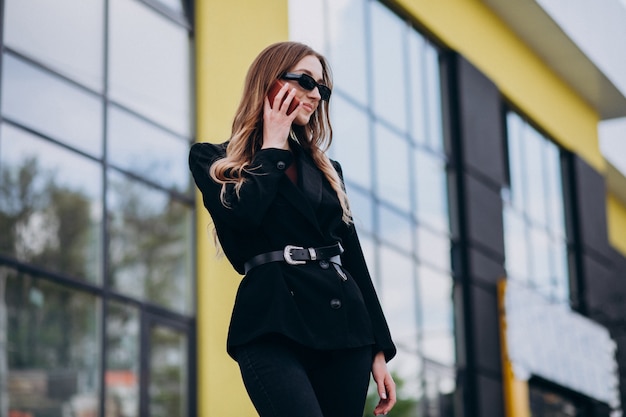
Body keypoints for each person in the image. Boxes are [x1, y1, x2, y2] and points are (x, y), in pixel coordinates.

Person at [189, 41, 396, 417]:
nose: (316, 94)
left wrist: (379, 350)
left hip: (345, 330)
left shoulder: (329, 171)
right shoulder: (213, 159)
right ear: (269, 81)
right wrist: (272, 146)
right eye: (304, 81)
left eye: (322, 87)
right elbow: (242, 220)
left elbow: (353, 259)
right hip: (272, 322)